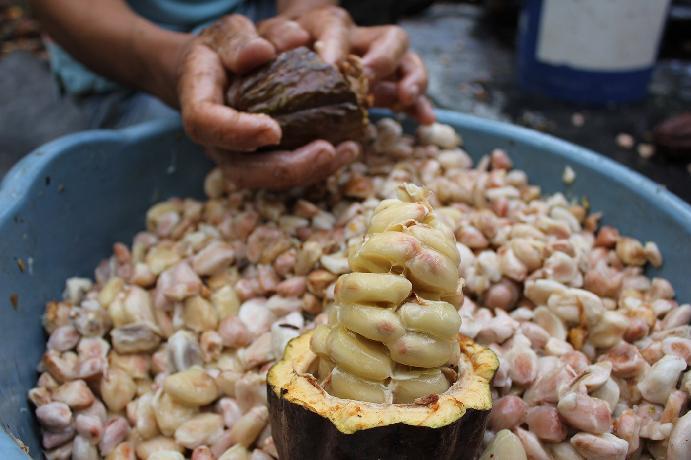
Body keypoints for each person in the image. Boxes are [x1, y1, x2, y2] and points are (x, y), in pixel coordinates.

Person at [28, 0, 434, 189]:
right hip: (123, 58)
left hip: (261, 23)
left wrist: (308, 20)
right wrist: (167, 67)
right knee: (165, 164)